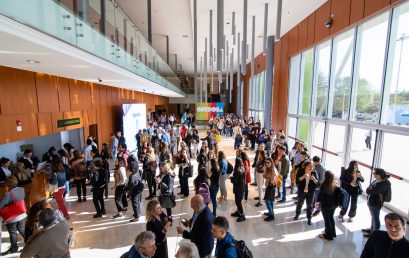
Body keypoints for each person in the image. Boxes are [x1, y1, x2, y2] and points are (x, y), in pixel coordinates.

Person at [0, 176, 26, 255]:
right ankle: (30, 243)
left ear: (8, 184)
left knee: (12, 232)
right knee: (22, 230)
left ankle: (14, 248)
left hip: (12, 217)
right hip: (21, 214)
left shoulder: (7, 194)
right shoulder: (22, 189)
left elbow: (0, 206)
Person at [362, 168, 392, 238]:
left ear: (379, 175)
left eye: (375, 173)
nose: (373, 174)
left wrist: (369, 188)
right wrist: (370, 187)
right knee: (373, 216)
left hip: (375, 203)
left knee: (375, 218)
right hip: (373, 201)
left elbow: (368, 191)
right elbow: (370, 189)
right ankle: (372, 229)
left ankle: (375, 234)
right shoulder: (379, 180)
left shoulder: (382, 184)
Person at [317, 171, 340, 240]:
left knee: (327, 220)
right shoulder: (335, 184)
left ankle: (328, 235)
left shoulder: (324, 184)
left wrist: (317, 202)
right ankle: (333, 233)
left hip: (326, 205)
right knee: (331, 218)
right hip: (334, 204)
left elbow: (320, 195)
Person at [294, 161, 319, 225]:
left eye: (312, 166)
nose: (311, 168)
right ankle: (297, 214)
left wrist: (315, 180)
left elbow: (318, 185)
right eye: (309, 166)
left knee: (310, 206)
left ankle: (309, 218)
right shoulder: (301, 171)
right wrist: (303, 177)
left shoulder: (314, 173)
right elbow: (297, 181)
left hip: (310, 192)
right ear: (305, 166)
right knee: (300, 203)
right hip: (302, 191)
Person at [230, 158, 246, 222]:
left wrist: (231, 178)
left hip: (238, 188)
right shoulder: (242, 168)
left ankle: (242, 215)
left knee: (238, 202)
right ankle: (238, 212)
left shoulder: (237, 170)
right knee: (238, 201)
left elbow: (234, 180)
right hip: (242, 187)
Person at [263, 157, 277, 222]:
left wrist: (269, 178)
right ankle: (271, 212)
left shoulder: (273, 170)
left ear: (271, 163)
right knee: (270, 201)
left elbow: (273, 179)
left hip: (271, 187)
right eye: (266, 162)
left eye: (268, 162)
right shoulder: (268, 168)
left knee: (266, 200)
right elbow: (265, 176)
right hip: (269, 186)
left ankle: (271, 215)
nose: (267, 164)